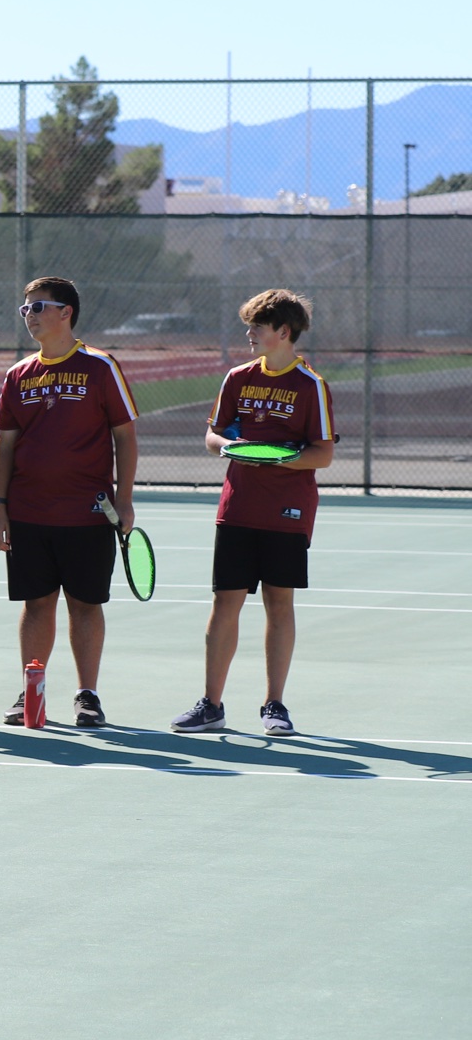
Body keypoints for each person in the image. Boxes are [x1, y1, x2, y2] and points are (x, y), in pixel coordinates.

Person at [173, 290, 335, 737]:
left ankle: (274, 705)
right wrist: (231, 447)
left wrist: (278, 457)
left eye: (256, 327)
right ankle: (211, 705)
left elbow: (322, 454)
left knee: (279, 603)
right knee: (225, 602)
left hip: (287, 512)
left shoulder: (311, 386)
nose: (248, 334)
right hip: (238, 508)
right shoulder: (237, 378)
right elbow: (213, 437)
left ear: (283, 332)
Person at [0, 276, 139, 728]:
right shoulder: (19, 374)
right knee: (36, 604)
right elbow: (5, 445)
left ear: (65, 312)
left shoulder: (100, 367)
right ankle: (31, 690)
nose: (29, 315)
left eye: (38, 307)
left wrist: (124, 501)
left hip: (88, 513)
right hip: (28, 513)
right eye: (25, 308)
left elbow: (125, 436)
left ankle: (87, 695)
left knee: (84, 604)